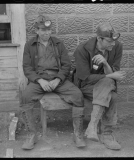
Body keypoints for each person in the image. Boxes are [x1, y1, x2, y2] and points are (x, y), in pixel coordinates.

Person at [20, 15, 86, 150]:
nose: (47, 33)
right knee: (25, 97)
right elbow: (27, 67)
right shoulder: (30, 45)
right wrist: (39, 80)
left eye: (49, 30)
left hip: (58, 79)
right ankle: (31, 135)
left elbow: (67, 65)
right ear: (36, 31)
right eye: (43, 30)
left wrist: (58, 79)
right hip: (40, 80)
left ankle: (78, 134)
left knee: (78, 95)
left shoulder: (58, 43)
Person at [73, 22, 126, 150]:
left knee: (110, 92)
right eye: (109, 41)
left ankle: (97, 129)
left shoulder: (117, 47)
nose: (112, 44)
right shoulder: (82, 49)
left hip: (105, 85)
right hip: (86, 86)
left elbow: (113, 71)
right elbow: (85, 78)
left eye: (114, 41)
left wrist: (106, 64)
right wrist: (110, 76)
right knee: (110, 93)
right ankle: (102, 132)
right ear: (99, 38)